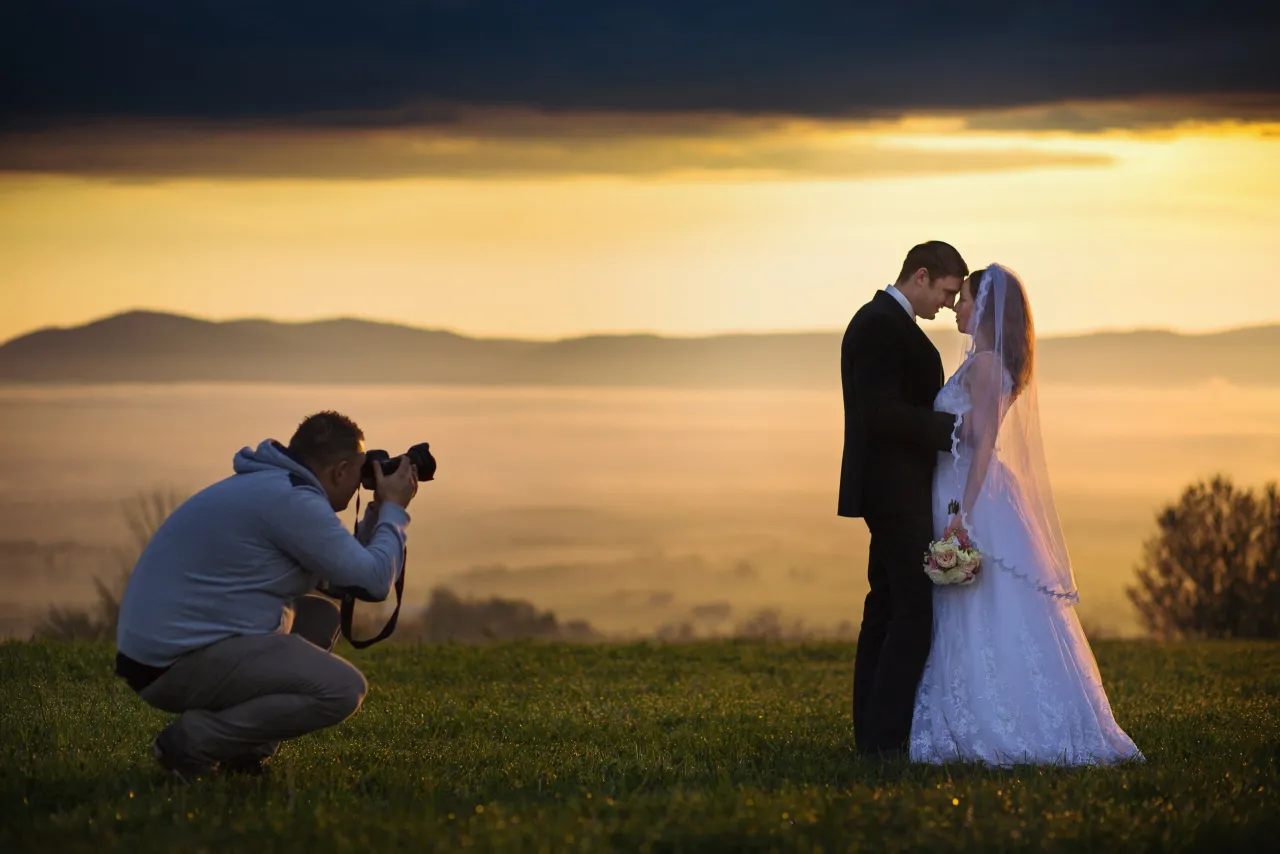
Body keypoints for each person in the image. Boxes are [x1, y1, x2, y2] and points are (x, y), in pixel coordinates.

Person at [908, 264, 1142, 765]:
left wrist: (961, 517)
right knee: (973, 604)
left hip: (972, 494)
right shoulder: (989, 362)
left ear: (988, 310)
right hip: (969, 487)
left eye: (965, 300)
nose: (956, 309)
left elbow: (985, 442)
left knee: (979, 605)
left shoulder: (987, 364)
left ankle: (1000, 718)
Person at [114, 410, 419, 782]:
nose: (360, 484)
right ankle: (192, 744)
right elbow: (373, 582)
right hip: (171, 665)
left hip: (155, 654)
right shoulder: (291, 502)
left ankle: (243, 753)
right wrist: (394, 511)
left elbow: (344, 578)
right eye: (358, 476)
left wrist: (375, 512)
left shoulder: (274, 488)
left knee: (317, 617)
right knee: (343, 690)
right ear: (340, 471)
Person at [838, 240, 967, 758]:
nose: (948, 305)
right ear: (921, 276)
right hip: (891, 490)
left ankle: (874, 734)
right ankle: (885, 741)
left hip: (898, 487)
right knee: (912, 612)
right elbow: (880, 413)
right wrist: (953, 430)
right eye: (946, 291)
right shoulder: (877, 325)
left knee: (887, 606)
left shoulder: (891, 323)